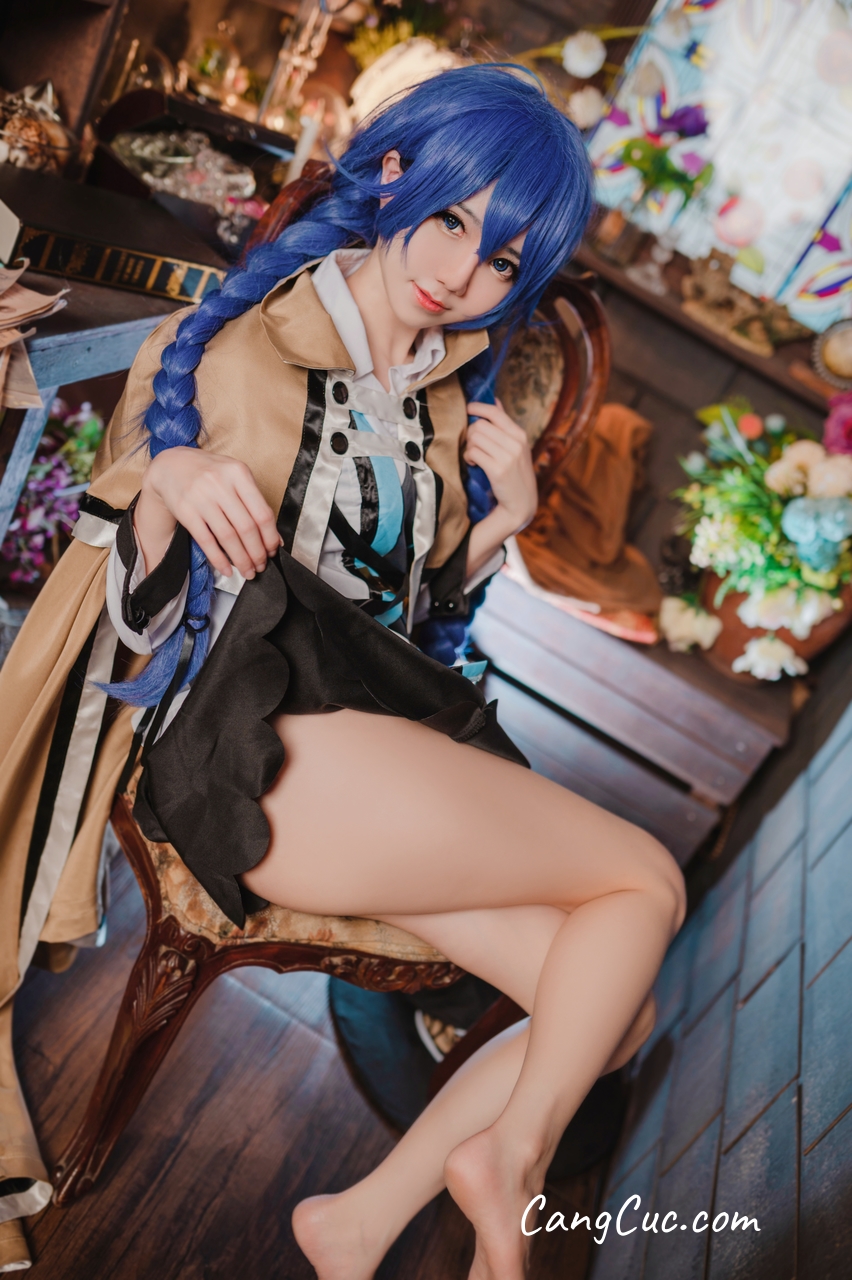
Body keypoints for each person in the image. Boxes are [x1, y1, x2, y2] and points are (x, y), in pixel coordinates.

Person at [0, 65, 685, 1279]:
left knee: (614, 1008)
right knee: (648, 878)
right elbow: (120, 618)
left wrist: (498, 524)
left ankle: (360, 1220)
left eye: (500, 260)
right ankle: (511, 1159)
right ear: (391, 174)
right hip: (247, 756)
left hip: (365, 757)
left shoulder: (444, 402)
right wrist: (164, 486)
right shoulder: (236, 351)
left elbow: (408, 638)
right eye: (451, 218)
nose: (460, 274)